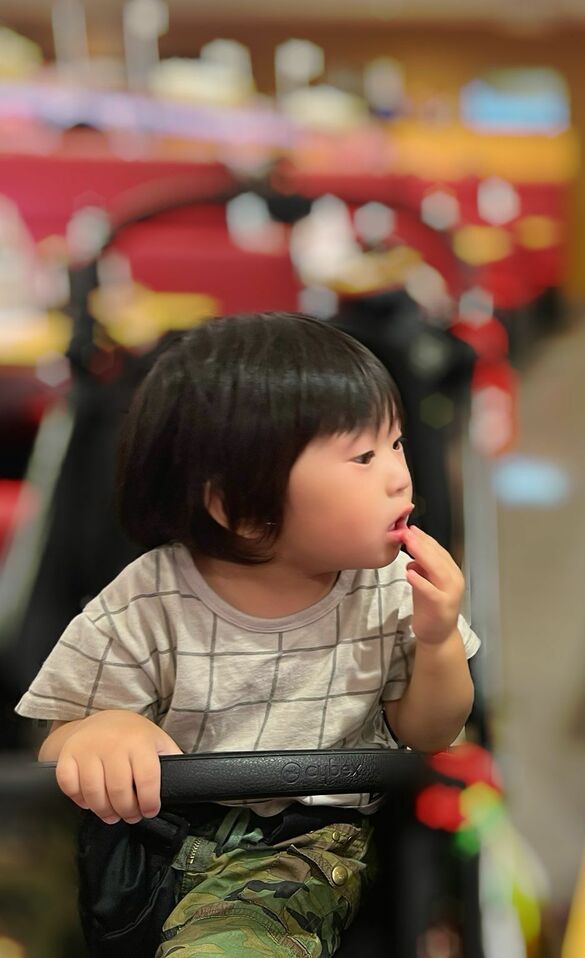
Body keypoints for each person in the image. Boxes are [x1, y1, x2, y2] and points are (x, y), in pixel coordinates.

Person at [15, 311, 479, 955]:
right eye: (365, 456)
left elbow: (429, 734)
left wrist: (437, 639)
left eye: (397, 445)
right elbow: (54, 740)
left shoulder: (388, 588)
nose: (400, 474)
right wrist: (99, 731)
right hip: (153, 840)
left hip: (306, 845)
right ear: (243, 511)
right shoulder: (149, 599)